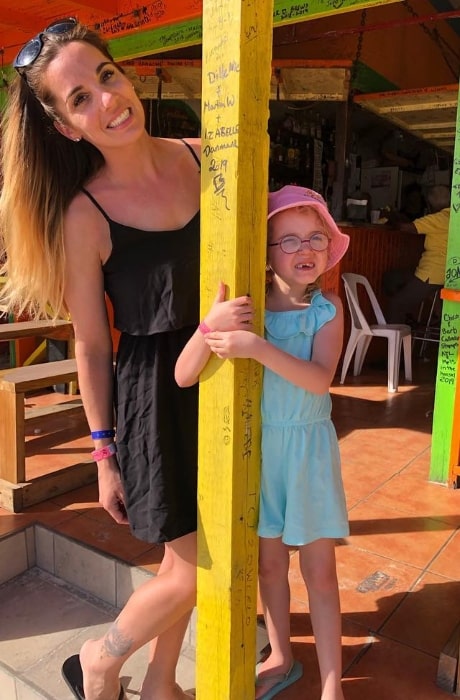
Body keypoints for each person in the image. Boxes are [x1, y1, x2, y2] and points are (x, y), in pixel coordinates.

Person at [0, 18, 253, 700]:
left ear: (127, 74)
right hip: (155, 397)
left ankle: (163, 684)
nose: (106, 101)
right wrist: (103, 454)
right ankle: (103, 659)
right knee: (197, 568)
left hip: (226, 376)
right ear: (64, 127)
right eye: (79, 98)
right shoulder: (84, 217)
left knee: (198, 552)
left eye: (105, 77)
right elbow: (89, 342)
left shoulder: (206, 157)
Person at [176, 185, 350, 700]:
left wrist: (256, 348)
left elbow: (319, 379)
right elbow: (185, 375)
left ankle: (334, 683)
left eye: (316, 237)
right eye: (289, 239)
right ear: (266, 252)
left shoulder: (329, 311)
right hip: (258, 455)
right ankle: (282, 654)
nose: (306, 249)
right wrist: (214, 323)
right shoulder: (243, 310)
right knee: (269, 566)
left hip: (308, 455)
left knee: (320, 572)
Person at [384, 184, 450, 324]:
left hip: (431, 275)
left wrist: (390, 215)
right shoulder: (454, 217)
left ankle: (395, 343)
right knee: (392, 278)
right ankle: (410, 317)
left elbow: (405, 228)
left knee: (396, 304)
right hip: (447, 273)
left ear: (429, 203)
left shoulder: (436, 218)